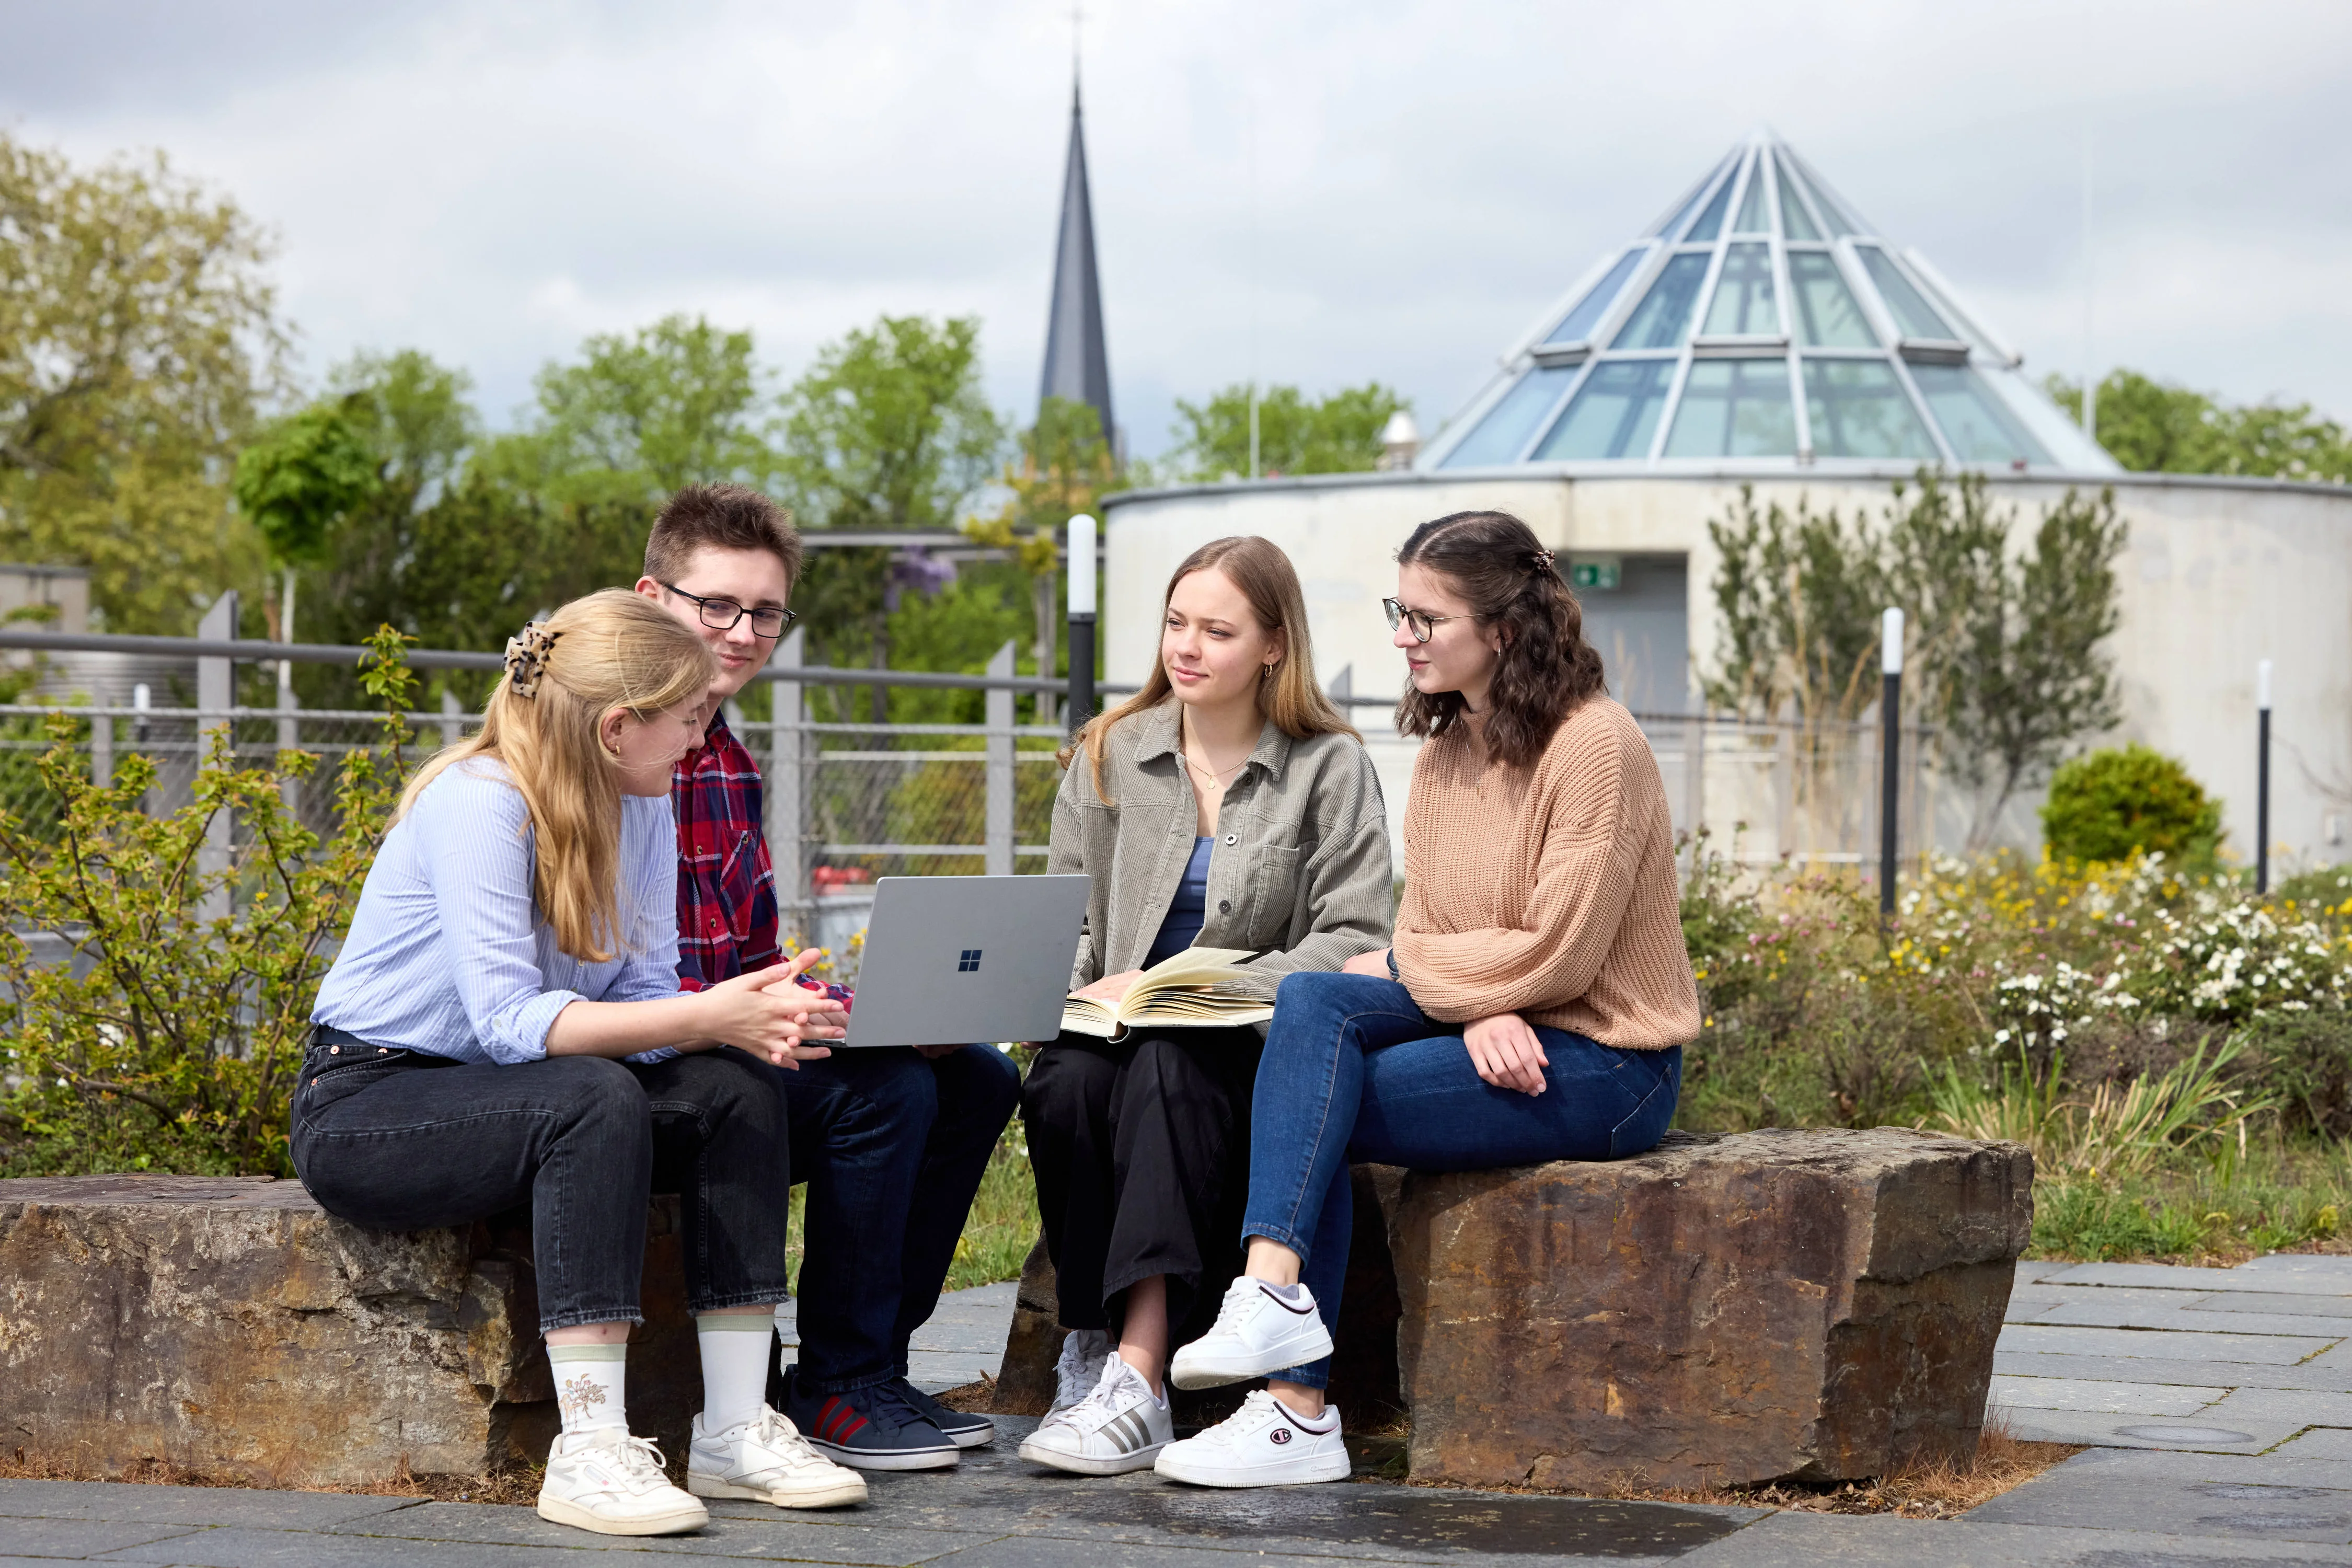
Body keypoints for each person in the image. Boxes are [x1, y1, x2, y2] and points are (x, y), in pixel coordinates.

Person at [295, 591, 869, 1537]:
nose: (698, 739)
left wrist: (741, 1020)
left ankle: (732, 1425)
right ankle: (591, 1447)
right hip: (371, 1100)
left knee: (735, 1086)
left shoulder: (641, 805)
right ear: (615, 729)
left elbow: (643, 995)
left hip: (521, 1088)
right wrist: (703, 1013)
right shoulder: (479, 802)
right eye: (688, 720)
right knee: (594, 1097)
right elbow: (511, 1021)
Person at [1154, 510, 1700, 1489]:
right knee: (1316, 1000)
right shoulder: (1452, 747)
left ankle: (1295, 1410)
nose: (1402, 636)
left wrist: (1484, 992)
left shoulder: (1595, 747)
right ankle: (1274, 1306)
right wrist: (1479, 1004)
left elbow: (1560, 953)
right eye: (1397, 612)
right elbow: (1423, 930)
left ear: (1503, 627)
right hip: (1511, 1019)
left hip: (1608, 1059)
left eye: (1424, 618)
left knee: (1316, 1107)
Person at [635, 484, 1022, 1470]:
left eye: (764, 611)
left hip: (732, 1026)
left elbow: (754, 956)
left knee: (974, 1074)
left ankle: (867, 1370)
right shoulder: (624, 743)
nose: (743, 630)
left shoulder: (725, 753)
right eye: (715, 604)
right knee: (883, 1093)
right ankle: (840, 1390)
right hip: (648, 1059)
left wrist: (880, 1012)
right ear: (654, 598)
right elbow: (622, 979)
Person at [1016, 535, 1393, 1478]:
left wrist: (1229, 985)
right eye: (1176, 623)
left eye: (1217, 630)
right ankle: (1096, 1344)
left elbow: (1354, 932)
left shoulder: (1329, 765)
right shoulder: (1110, 753)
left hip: (1241, 1039)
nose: (1186, 646)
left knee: (1168, 1069)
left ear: (1273, 645)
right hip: (1114, 1019)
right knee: (1059, 1088)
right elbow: (1062, 912)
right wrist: (1082, 986)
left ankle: (1136, 1376)